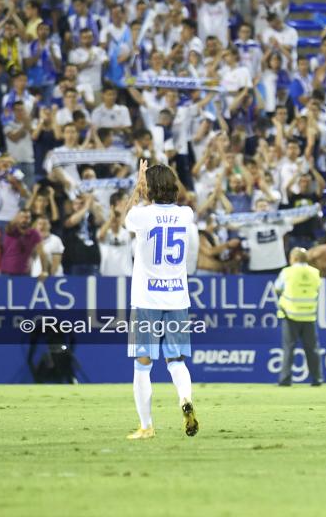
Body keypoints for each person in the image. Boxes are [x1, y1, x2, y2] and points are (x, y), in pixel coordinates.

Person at [123, 161, 200, 440]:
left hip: (146, 298)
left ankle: (146, 426)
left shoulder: (141, 215)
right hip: (177, 297)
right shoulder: (186, 214)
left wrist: (138, 184)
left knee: (142, 365)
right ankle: (185, 398)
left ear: (149, 188)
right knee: (176, 360)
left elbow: (127, 216)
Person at [275, 247, 324, 387]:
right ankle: (317, 379)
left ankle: (285, 380)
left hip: (290, 315)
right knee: (312, 349)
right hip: (309, 316)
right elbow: (317, 289)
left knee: (288, 349)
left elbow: (277, 288)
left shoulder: (287, 272)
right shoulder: (315, 273)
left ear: (294, 259)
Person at [0, 209, 47, 277]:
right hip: (5, 273)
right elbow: (10, 226)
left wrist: (44, 271)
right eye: (22, 217)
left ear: (30, 219)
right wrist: (17, 217)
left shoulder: (34, 233)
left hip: (24, 273)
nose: (25, 220)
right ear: (17, 218)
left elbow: (42, 253)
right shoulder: (11, 230)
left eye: (27, 217)